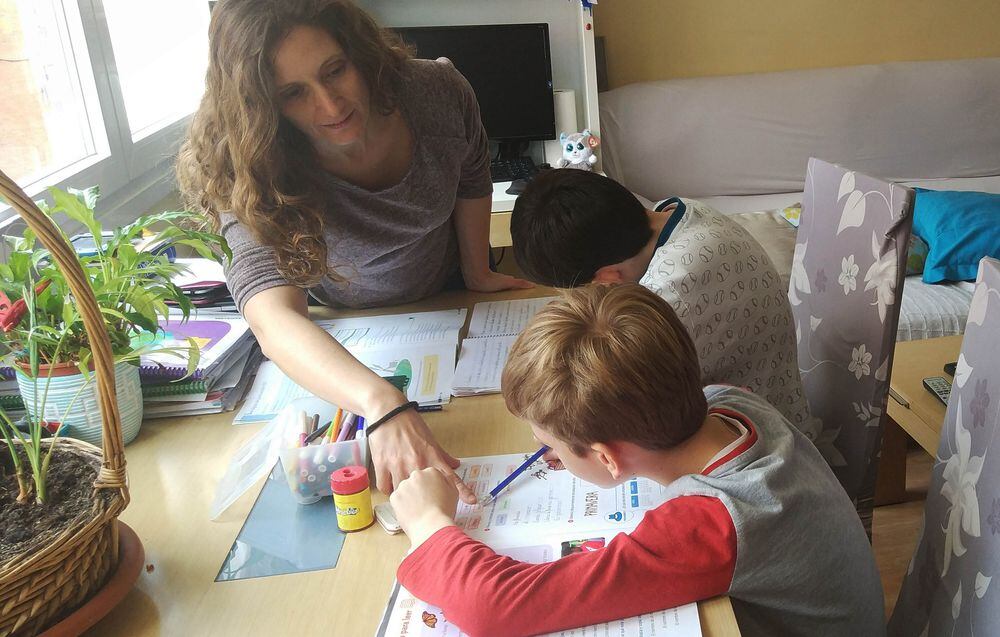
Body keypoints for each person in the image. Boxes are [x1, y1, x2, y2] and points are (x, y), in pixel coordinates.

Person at [176, 0, 530, 501]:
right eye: (294, 93)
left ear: (357, 51)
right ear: (262, 106)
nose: (330, 105)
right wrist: (381, 402)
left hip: (448, 304)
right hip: (341, 330)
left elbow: (472, 173)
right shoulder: (246, 163)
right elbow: (273, 319)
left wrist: (478, 270)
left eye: (335, 70)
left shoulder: (436, 92)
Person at [389, 284, 884, 637]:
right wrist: (578, 449)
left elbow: (493, 608)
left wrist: (429, 523)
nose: (546, 455)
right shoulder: (728, 400)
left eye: (551, 446)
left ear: (607, 458)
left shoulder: (712, 526)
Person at [509, 169, 819, 441]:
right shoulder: (675, 211)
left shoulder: (669, 295)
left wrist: (564, 438)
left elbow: (617, 402)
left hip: (761, 443)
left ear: (606, 277)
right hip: (765, 407)